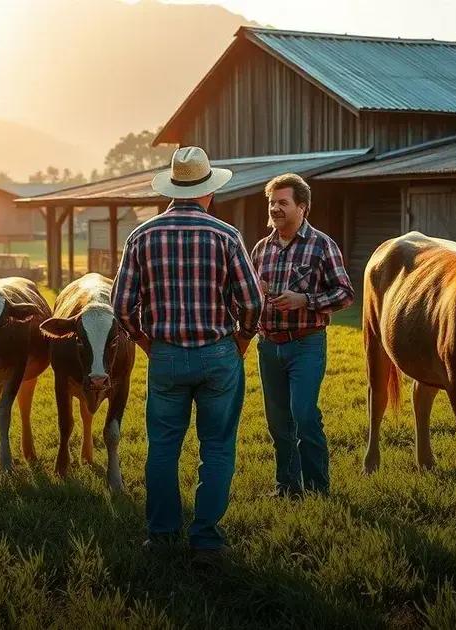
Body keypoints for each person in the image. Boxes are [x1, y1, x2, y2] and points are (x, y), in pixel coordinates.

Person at [112, 146, 263, 558]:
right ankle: (206, 540)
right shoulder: (227, 236)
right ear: (208, 192)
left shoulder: (141, 236)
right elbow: (252, 301)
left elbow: (121, 305)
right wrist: (243, 338)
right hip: (219, 354)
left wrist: (144, 341)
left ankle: (161, 536)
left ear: (173, 189)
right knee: (216, 446)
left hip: (166, 355)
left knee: (162, 447)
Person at [251, 173, 354, 498]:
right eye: (272, 203)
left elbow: (345, 293)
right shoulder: (261, 248)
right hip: (269, 346)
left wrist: (305, 300)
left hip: (306, 344)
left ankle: (317, 488)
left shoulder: (322, 245)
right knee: (278, 421)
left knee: (304, 414)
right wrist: (258, 290)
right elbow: (248, 294)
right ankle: (287, 486)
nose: (275, 209)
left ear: (302, 207)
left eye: (283, 202)